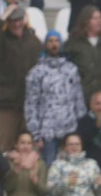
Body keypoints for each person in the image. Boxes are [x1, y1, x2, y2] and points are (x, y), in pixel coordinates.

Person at [0, 6, 43, 150]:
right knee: (3, 145)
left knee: (27, 146)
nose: (16, 24)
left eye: (19, 20)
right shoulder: (1, 40)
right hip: (5, 102)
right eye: (12, 21)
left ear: (24, 20)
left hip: (29, 103)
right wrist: (2, 17)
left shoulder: (34, 41)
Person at [25, 30, 87, 164]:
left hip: (69, 126)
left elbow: (78, 97)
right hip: (47, 130)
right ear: (45, 44)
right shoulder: (37, 72)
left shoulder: (71, 69)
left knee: (72, 164)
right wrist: (35, 132)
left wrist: (81, 124)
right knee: (49, 165)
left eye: (57, 41)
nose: (54, 44)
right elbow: (31, 103)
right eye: (50, 41)